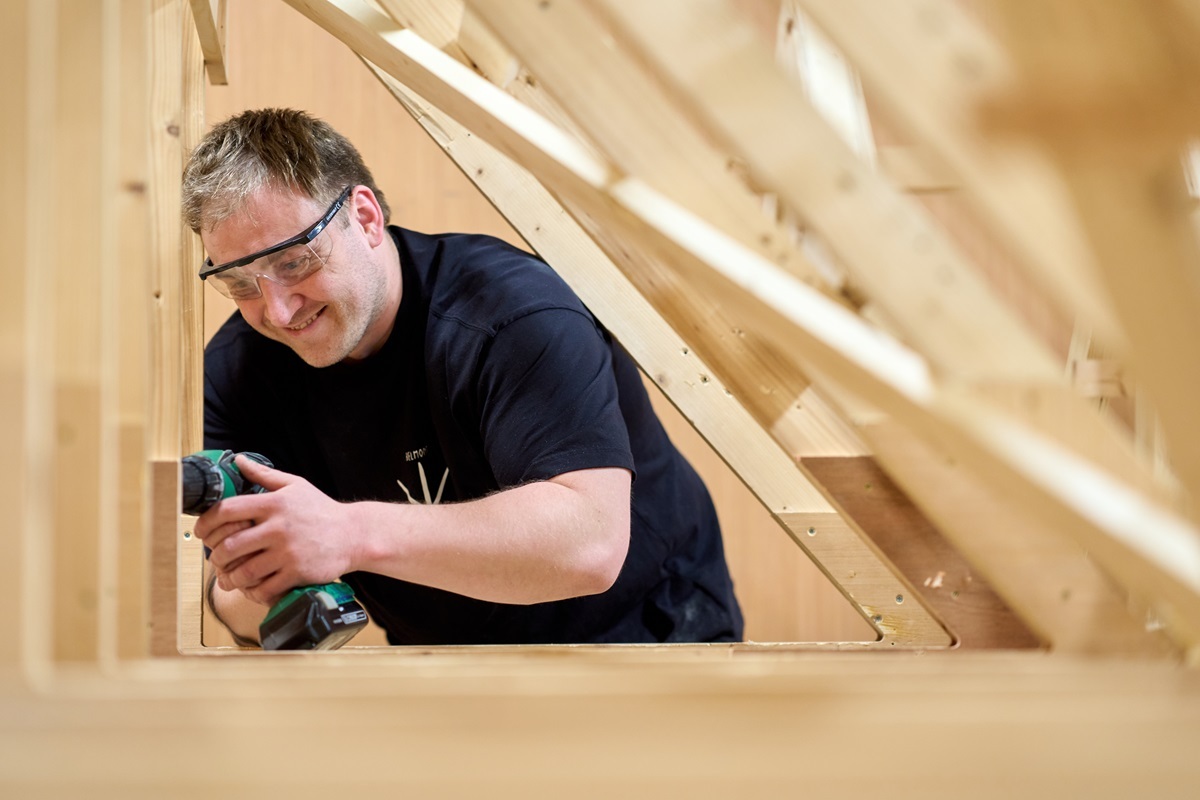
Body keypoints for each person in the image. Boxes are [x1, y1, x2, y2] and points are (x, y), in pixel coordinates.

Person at [183, 108, 743, 646]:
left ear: (366, 217)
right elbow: (234, 606)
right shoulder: (237, 370)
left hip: (645, 638)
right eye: (240, 283)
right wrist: (256, 569)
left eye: (293, 262)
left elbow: (589, 543)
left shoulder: (512, 314)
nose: (277, 312)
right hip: (444, 659)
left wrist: (347, 534)